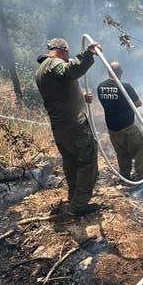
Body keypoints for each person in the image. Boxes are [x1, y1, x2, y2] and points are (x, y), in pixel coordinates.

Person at [35, 37, 102, 215]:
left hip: (61, 129)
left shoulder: (42, 70)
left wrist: (82, 97)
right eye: (67, 55)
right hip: (74, 127)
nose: (67, 58)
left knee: (72, 165)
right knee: (88, 164)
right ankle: (79, 207)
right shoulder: (54, 63)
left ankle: (74, 201)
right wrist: (87, 55)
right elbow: (69, 72)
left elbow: (61, 93)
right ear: (63, 51)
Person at [96, 61, 143, 182]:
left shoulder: (100, 87)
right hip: (127, 127)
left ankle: (125, 177)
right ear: (120, 73)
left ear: (109, 72)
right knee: (141, 148)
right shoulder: (125, 87)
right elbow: (138, 103)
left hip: (112, 129)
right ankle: (140, 176)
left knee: (122, 153)